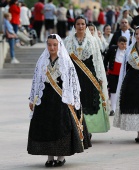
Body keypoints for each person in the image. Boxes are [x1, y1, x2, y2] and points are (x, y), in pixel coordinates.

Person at [27, 34, 91, 167]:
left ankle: (61, 157)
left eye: (55, 45)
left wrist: (74, 100)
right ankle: (50, 157)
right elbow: (36, 80)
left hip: (61, 100)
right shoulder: (42, 60)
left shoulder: (66, 61)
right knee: (46, 127)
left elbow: (73, 82)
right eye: (49, 45)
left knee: (61, 127)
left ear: (59, 45)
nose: (52, 47)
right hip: (45, 100)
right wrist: (32, 99)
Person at [64, 16, 110, 134]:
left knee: (88, 102)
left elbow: (98, 60)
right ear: (74, 26)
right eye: (78, 24)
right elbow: (64, 60)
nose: (80, 26)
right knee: (75, 102)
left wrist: (99, 76)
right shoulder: (68, 41)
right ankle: (76, 128)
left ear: (86, 26)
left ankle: (87, 130)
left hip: (89, 75)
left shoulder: (92, 41)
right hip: (73, 76)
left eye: (83, 24)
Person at [104, 36, 127, 116]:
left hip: (123, 75)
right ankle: (113, 109)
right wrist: (105, 69)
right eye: (122, 44)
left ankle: (121, 108)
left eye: (125, 44)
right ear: (118, 43)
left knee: (122, 91)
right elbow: (106, 59)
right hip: (113, 73)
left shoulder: (128, 51)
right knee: (113, 90)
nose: (123, 46)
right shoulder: (113, 49)